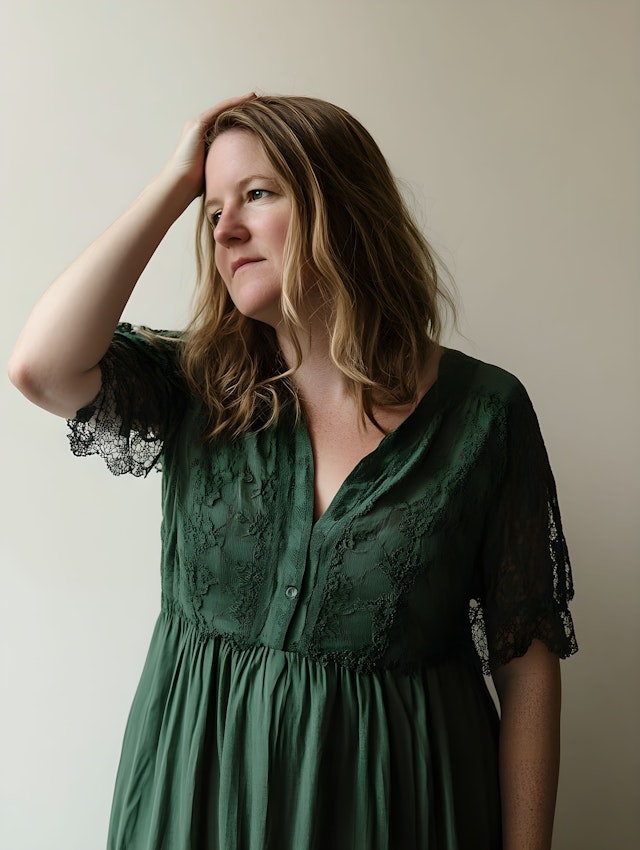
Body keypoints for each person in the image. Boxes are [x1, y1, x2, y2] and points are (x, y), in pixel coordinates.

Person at [8, 93, 578, 850]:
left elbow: (526, 664)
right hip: (196, 804)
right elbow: (40, 368)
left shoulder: (485, 415)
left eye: (256, 194)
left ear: (341, 207)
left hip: (395, 811)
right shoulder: (196, 385)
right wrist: (177, 182)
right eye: (212, 213)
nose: (227, 229)